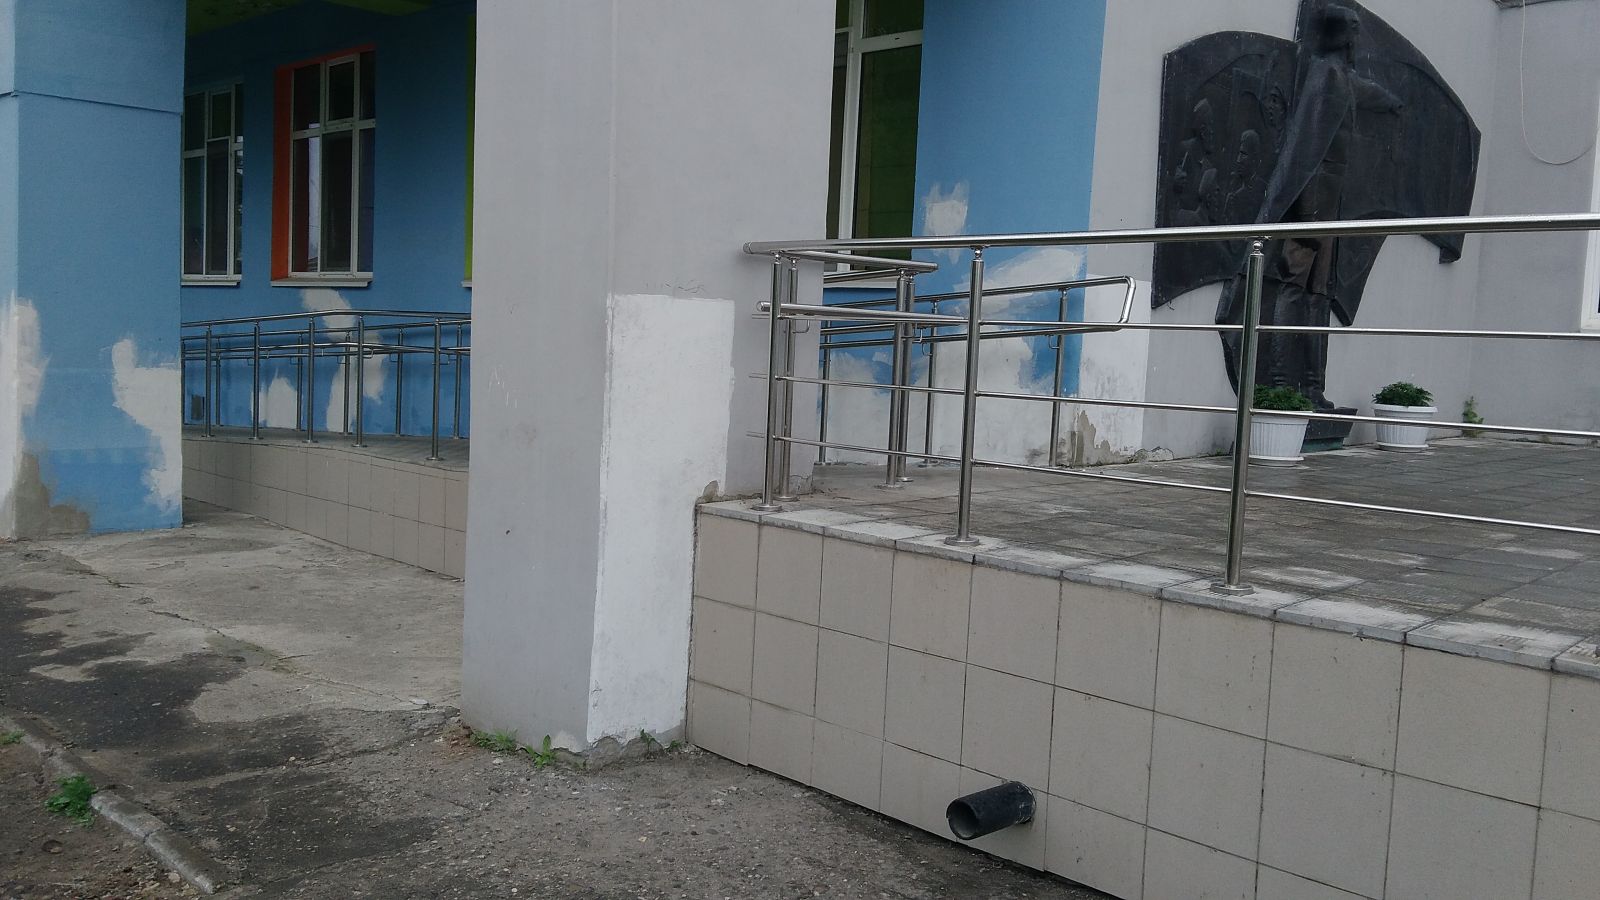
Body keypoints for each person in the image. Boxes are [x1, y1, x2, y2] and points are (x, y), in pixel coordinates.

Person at [1216, 4, 1402, 408]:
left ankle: (1312, 388)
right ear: (1340, 34)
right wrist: (1304, 209)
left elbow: (1368, 93)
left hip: (1329, 207)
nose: (1358, 38)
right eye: (1353, 30)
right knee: (1293, 288)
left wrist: (1395, 102)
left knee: (1317, 295)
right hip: (1311, 203)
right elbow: (1304, 148)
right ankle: (1283, 381)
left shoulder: (1342, 77)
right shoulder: (1323, 74)